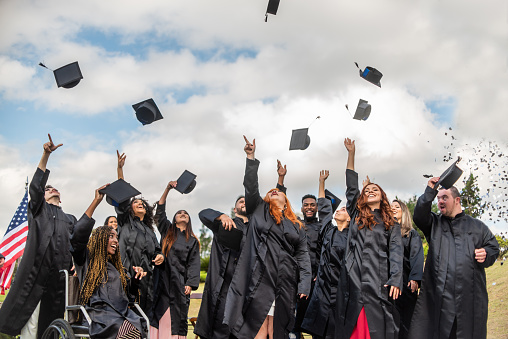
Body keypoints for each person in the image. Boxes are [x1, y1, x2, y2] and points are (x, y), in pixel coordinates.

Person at [0, 134, 99, 339]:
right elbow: (35, 188)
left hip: (58, 279)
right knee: (31, 325)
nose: (51, 189)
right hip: (34, 276)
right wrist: (45, 155)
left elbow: (79, 238)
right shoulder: (38, 210)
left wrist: (95, 202)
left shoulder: (69, 218)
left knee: (52, 326)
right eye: (47, 189)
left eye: (54, 188)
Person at [223, 136, 312, 339]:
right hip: (259, 276)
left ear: (286, 201)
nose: (273, 191)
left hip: (286, 279)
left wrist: (304, 283)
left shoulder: (297, 225)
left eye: (278, 192)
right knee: (258, 328)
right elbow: (251, 187)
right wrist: (250, 156)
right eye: (270, 192)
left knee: (278, 330)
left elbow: (303, 256)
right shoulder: (259, 210)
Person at [195, 161, 287, 339]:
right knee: (219, 330)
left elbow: (277, 206)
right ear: (235, 208)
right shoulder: (224, 224)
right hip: (223, 287)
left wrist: (280, 181)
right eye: (240, 201)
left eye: (246, 200)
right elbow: (203, 213)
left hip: (247, 290)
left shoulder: (257, 228)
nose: (244, 202)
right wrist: (220, 216)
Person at [408, 178, 499, 339]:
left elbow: (493, 248)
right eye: (438, 198)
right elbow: (419, 216)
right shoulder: (434, 224)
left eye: (445, 197)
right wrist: (430, 190)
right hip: (439, 298)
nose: (440, 201)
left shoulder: (477, 227)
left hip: (469, 298)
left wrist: (486, 253)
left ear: (457, 200)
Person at [335, 138, 403, 339]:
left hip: (379, 279)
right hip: (354, 277)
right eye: (367, 190)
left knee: (378, 326)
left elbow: (396, 252)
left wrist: (396, 279)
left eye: (375, 189)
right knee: (354, 324)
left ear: (382, 196)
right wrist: (351, 154)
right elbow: (351, 187)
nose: (370, 191)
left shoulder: (391, 223)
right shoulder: (357, 215)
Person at [70, 186, 148, 339]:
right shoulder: (86, 260)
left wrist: (135, 280)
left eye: (116, 238)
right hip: (100, 315)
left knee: (139, 326)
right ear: (100, 239)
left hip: (123, 313)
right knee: (130, 331)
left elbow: (130, 296)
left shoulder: (118, 268)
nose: (115, 241)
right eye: (111, 237)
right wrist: (96, 201)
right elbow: (77, 235)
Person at [302, 170, 350, 339]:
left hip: (343, 289)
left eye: (344, 209)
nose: (339, 210)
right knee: (319, 330)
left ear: (351, 218)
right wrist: (321, 183)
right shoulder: (329, 231)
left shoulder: (354, 236)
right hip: (322, 289)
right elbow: (324, 209)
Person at [150, 181, 201, 339]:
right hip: (163, 279)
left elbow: (194, 263)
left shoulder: (192, 241)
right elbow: (159, 212)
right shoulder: (167, 230)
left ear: (189, 220)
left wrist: (190, 283)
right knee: (161, 315)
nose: (183, 213)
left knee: (177, 320)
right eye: (179, 213)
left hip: (180, 284)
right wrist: (167, 189)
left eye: (185, 213)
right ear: (174, 219)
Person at [115, 150, 164, 314]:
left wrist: (160, 256)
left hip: (146, 279)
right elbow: (122, 198)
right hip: (125, 275)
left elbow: (157, 250)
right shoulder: (125, 221)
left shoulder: (150, 231)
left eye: (141, 202)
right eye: (135, 202)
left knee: (143, 315)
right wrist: (120, 170)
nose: (138, 203)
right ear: (130, 209)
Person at [391, 199, 424, 339]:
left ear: (403, 211)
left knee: (406, 321)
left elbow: (417, 256)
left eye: (396, 207)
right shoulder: (384, 233)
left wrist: (415, 278)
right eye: (390, 207)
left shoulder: (410, 234)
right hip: (389, 282)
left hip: (405, 282)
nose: (392, 208)